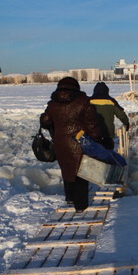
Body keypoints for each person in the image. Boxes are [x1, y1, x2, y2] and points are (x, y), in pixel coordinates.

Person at [40, 77, 105, 212]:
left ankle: (70, 198)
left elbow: (45, 122)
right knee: (81, 172)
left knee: (67, 169)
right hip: (79, 142)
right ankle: (81, 206)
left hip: (61, 143)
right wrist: (98, 138)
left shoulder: (53, 104)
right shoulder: (83, 102)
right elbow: (92, 123)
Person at [89, 82, 130, 148]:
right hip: (107, 133)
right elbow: (121, 114)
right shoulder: (111, 101)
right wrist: (126, 123)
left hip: (93, 133)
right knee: (108, 153)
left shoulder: (88, 101)